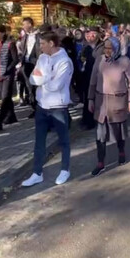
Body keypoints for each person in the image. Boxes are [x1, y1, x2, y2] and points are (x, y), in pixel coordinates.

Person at [22, 32, 74, 186]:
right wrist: (47, 77)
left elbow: (56, 86)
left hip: (58, 107)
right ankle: (37, 173)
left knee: (63, 140)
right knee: (39, 142)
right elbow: (32, 78)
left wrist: (43, 78)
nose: (40, 46)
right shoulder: (42, 58)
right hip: (41, 106)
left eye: (43, 43)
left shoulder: (65, 61)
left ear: (51, 43)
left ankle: (65, 169)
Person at [88, 37, 130, 176]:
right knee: (100, 135)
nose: (107, 51)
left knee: (118, 132)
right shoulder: (100, 59)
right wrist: (90, 99)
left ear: (116, 49)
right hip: (101, 101)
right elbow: (93, 79)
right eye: (106, 48)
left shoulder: (124, 61)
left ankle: (121, 152)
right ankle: (100, 163)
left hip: (117, 101)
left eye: (110, 48)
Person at [0, 25, 19, 130]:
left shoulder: (10, 44)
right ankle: (11, 117)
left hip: (8, 75)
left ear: (3, 33)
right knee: (5, 98)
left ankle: (0, 121)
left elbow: (16, 59)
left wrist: (8, 69)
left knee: (5, 97)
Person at [80, 26, 105, 130]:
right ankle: (86, 119)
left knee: (97, 98)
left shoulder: (103, 46)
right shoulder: (86, 46)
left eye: (94, 33)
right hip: (87, 75)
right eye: (90, 33)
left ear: (98, 34)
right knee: (87, 97)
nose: (92, 35)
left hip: (99, 76)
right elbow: (82, 58)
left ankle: (94, 120)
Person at [17, 17, 40, 117]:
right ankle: (34, 107)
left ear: (30, 24)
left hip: (36, 63)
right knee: (29, 86)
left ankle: (39, 108)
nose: (23, 27)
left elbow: (40, 49)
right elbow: (23, 49)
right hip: (26, 63)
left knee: (37, 86)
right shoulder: (25, 36)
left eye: (24, 24)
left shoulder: (38, 36)